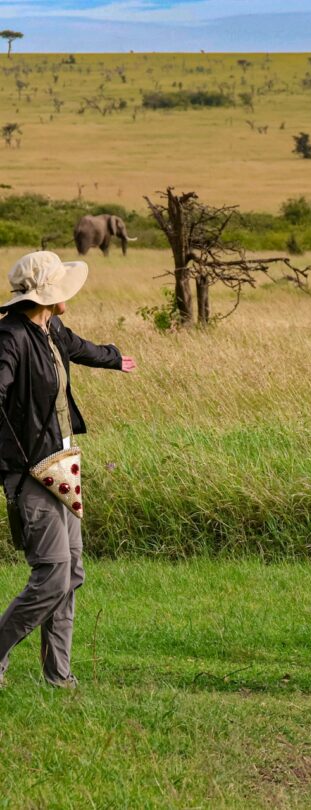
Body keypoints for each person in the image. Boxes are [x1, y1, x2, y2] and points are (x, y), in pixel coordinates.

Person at [0, 250, 136, 688]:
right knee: (53, 572)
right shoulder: (10, 338)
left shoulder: (49, 326)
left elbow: (76, 347)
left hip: (63, 466)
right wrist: (13, 462)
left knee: (71, 571)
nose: (69, 296)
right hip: (29, 471)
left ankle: (58, 678)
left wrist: (113, 358)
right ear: (47, 294)